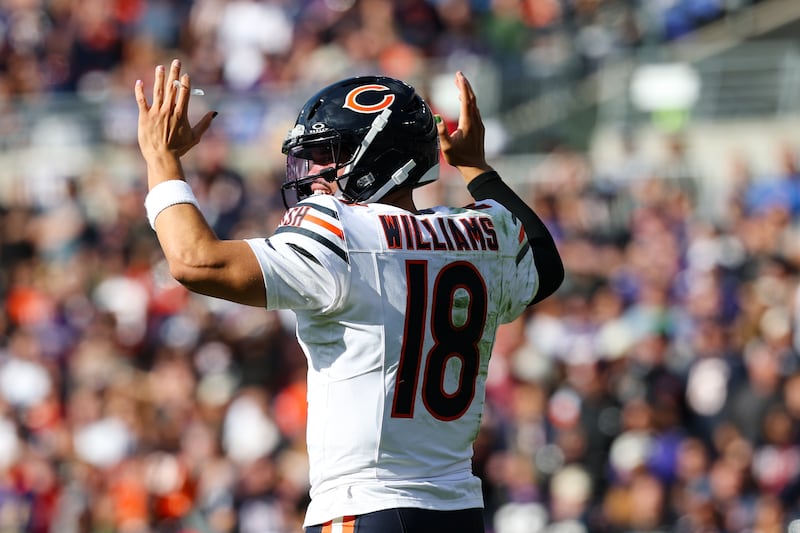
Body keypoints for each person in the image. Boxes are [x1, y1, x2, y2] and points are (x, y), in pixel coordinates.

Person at [135, 59, 564, 533]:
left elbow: (195, 261)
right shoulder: (486, 231)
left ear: (381, 156)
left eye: (329, 155)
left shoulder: (342, 230)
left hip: (364, 507)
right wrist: (477, 168)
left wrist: (161, 160)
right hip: (459, 512)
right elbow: (546, 265)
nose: (315, 172)